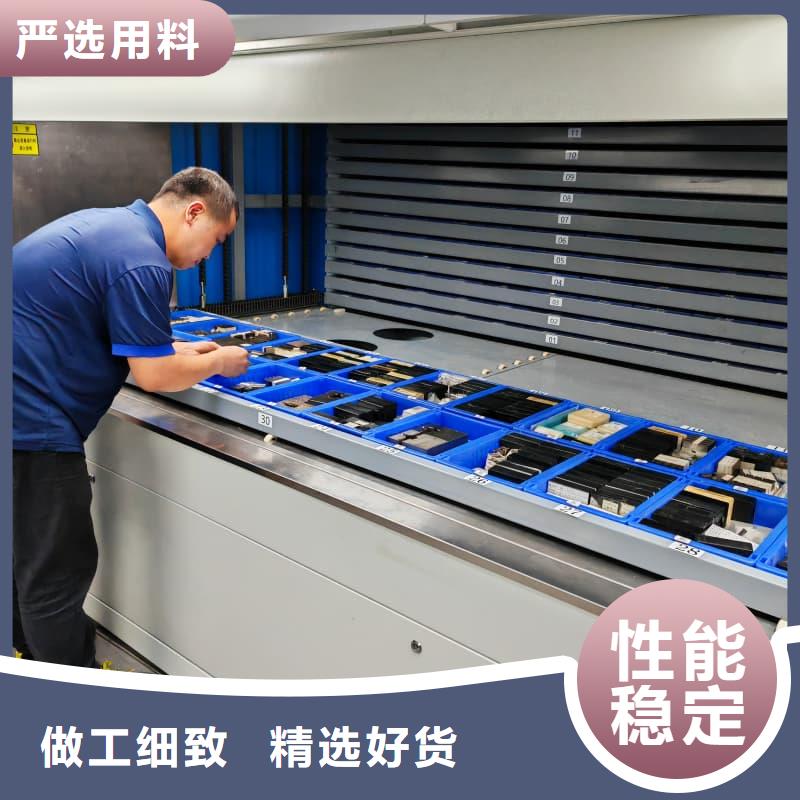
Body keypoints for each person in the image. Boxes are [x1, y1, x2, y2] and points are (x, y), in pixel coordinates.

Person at [12, 166, 250, 668]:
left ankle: (25, 657)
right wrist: (220, 362)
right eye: (216, 240)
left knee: (24, 560)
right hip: (30, 426)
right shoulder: (143, 261)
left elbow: (105, 327)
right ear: (194, 212)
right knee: (56, 575)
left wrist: (178, 348)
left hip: (19, 411)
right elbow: (154, 376)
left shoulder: (110, 228)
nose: (209, 256)